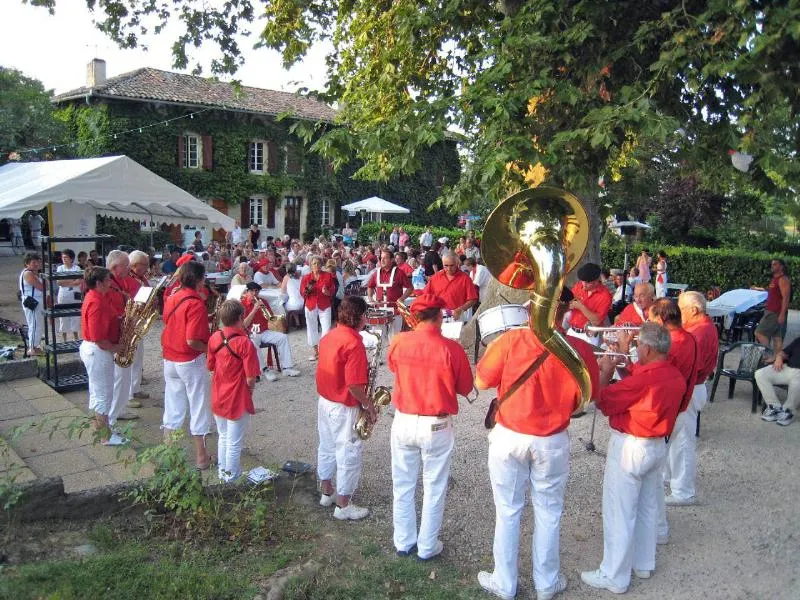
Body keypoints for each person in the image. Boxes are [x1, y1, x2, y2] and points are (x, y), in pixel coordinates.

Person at [475, 287, 599, 600]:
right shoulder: (579, 349)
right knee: (549, 511)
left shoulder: (511, 340)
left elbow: (481, 382)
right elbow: (588, 399)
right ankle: (546, 583)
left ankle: (505, 582)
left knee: (508, 510)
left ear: (532, 309)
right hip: (552, 440)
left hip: (510, 436)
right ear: (567, 311)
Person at [580, 323, 686, 595]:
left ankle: (614, 574)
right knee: (648, 506)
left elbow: (603, 401)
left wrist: (604, 370)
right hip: (656, 446)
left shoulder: (644, 379)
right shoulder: (675, 375)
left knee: (619, 511)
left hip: (631, 446)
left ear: (648, 349)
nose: (637, 348)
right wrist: (623, 356)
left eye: (639, 345)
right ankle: (643, 563)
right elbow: (638, 382)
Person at [387, 293, 473, 560]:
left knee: (402, 484)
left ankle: (403, 541)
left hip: (403, 419)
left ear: (416, 316)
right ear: (439, 316)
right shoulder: (451, 348)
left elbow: (393, 368)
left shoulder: (399, 341)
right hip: (436, 424)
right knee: (434, 486)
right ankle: (426, 546)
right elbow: (466, 387)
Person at [316, 296, 375, 521]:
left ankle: (326, 491)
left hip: (325, 401)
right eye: (365, 314)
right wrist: (369, 406)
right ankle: (343, 505)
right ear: (359, 316)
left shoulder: (330, 335)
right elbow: (353, 385)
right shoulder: (354, 343)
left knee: (327, 446)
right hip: (343, 406)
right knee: (349, 451)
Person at [665, 291, 718, 505]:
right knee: (677, 438)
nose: (678, 313)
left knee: (683, 441)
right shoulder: (702, 328)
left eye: (681, 309)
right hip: (692, 387)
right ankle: (670, 478)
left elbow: (688, 366)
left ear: (693, 310)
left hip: (691, 388)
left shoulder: (699, 332)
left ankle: (683, 491)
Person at [161, 261, 213, 469]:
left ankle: (169, 455)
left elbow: (169, 322)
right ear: (199, 280)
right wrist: (208, 348)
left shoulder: (172, 297)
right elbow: (192, 340)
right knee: (198, 406)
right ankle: (201, 457)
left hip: (170, 358)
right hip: (189, 359)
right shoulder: (195, 303)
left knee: (173, 407)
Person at [207, 299, 260, 482]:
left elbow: (210, 365)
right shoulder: (245, 343)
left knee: (223, 436)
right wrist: (250, 391)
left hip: (218, 393)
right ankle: (231, 477)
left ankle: (223, 472)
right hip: (237, 396)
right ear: (240, 317)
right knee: (235, 442)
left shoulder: (214, 337)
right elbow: (251, 377)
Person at [79, 266, 125, 446]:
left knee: (99, 392)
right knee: (104, 394)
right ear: (98, 283)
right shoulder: (96, 302)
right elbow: (99, 338)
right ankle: (106, 436)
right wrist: (116, 347)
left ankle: (101, 430)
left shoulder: (97, 297)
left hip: (96, 350)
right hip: (98, 351)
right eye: (107, 280)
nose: (110, 283)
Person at [241, 282, 301, 380]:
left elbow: (270, 318)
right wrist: (254, 310)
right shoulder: (241, 304)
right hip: (250, 333)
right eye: (251, 291)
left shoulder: (263, 301)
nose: (254, 293)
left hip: (264, 331)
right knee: (252, 342)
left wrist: (267, 314)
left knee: (283, 337)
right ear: (247, 292)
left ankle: (287, 368)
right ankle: (264, 370)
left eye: (256, 291)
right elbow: (244, 325)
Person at [755, 335, 800, 426]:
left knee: (797, 378)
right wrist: (779, 357)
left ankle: (789, 411)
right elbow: (784, 352)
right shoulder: (798, 340)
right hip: (787, 369)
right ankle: (774, 407)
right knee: (760, 374)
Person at [423, 251, 478, 322]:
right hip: (438, 317)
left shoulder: (465, 278)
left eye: (452, 265)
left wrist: (460, 309)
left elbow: (473, 299)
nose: (449, 269)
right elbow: (426, 296)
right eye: (446, 266)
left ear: (457, 264)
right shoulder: (435, 277)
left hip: (457, 315)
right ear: (442, 264)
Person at [127, 250, 153, 406]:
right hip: (132, 320)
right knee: (131, 356)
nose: (147, 268)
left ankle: (135, 387)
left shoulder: (141, 277)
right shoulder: (130, 279)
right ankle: (129, 393)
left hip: (140, 320)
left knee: (139, 355)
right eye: (145, 265)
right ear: (135, 265)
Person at [367, 250, 412, 337]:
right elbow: (370, 286)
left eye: (385, 258)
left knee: (394, 338)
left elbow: (410, 288)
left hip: (395, 311)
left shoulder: (399, 272)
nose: (382, 260)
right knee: (380, 338)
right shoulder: (377, 273)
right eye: (381, 258)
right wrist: (370, 298)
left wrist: (402, 298)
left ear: (392, 260)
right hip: (380, 311)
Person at [567, 262, 613, 346]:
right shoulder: (579, 285)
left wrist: (581, 306)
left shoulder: (605, 296)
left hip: (588, 336)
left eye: (587, 282)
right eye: (582, 281)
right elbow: (569, 304)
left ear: (596, 281)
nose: (583, 284)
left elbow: (596, 321)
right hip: (572, 331)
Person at [755, 258, 792, 359]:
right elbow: (774, 293)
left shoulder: (782, 279)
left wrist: (782, 314)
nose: (772, 266)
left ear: (781, 266)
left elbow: (786, 297)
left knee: (759, 332)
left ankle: (767, 355)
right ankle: (776, 359)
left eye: (775, 264)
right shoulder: (775, 278)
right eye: (772, 264)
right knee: (777, 337)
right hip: (772, 311)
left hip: (773, 312)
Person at [301, 256, 336, 361]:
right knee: (311, 328)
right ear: (311, 266)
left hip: (324, 304)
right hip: (310, 304)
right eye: (314, 263)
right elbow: (302, 293)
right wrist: (308, 290)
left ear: (321, 265)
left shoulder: (328, 276)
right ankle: (315, 351)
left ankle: (323, 350)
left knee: (326, 328)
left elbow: (333, 290)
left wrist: (327, 292)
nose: (316, 265)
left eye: (318, 263)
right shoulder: (306, 278)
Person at [19, 253, 45, 356]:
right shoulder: (27, 273)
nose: (36, 264)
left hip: (36, 300)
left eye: (37, 262)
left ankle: (35, 346)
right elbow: (41, 287)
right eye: (33, 262)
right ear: (27, 263)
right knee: (34, 324)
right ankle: (32, 348)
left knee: (37, 324)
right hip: (32, 301)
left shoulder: (35, 273)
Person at [55, 249, 82, 343]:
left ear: (71, 258)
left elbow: (79, 281)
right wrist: (72, 281)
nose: (64, 259)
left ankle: (75, 337)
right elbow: (59, 282)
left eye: (66, 257)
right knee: (63, 315)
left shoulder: (77, 268)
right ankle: (64, 338)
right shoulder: (60, 268)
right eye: (63, 257)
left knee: (76, 315)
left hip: (75, 294)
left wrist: (67, 281)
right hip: (63, 294)